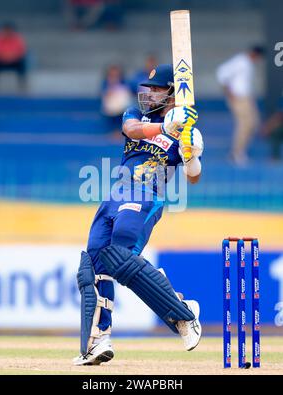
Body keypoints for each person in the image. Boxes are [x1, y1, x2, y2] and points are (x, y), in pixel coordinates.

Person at [73, 64, 204, 366]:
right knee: (94, 263)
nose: (149, 93)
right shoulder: (135, 114)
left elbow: (194, 176)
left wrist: (191, 154)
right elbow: (131, 131)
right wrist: (164, 128)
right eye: (149, 87)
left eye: (157, 88)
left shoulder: (187, 131)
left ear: (172, 93)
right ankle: (98, 340)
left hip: (147, 195)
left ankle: (182, 314)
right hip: (116, 193)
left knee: (119, 255)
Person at [216, 46, 265, 165]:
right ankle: (236, 153)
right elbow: (222, 72)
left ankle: (239, 151)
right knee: (245, 124)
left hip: (246, 98)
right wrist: (229, 93)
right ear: (255, 54)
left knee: (253, 123)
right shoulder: (241, 61)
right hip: (238, 98)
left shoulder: (247, 63)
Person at [0, 23, 27, 91]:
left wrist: (12, 57)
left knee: (23, 63)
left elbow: (21, 51)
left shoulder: (17, 39)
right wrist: (4, 57)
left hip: (14, 61)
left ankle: (22, 85)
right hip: (0, 61)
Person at [101, 64, 132, 138]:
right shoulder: (106, 83)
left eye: (116, 74)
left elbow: (127, 95)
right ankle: (113, 131)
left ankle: (119, 131)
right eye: (112, 74)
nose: (114, 75)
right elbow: (104, 96)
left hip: (122, 108)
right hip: (110, 109)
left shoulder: (124, 83)